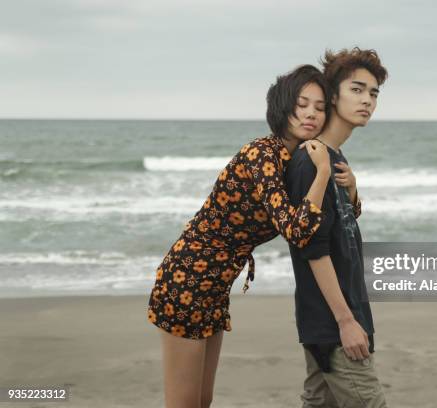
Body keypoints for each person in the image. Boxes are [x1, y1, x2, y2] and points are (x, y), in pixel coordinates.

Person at [147, 64, 333, 408]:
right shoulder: (263, 154)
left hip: (215, 286)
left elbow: (324, 218)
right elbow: (297, 230)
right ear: (283, 106)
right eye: (303, 103)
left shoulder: (293, 160)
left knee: (202, 401)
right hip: (188, 279)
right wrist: (324, 171)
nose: (311, 114)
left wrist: (350, 190)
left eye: (320, 108)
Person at [285, 47, 388, 408]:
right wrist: (345, 321)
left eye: (373, 93)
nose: (368, 101)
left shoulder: (334, 159)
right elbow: (313, 247)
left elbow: (341, 228)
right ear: (332, 96)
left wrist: (354, 190)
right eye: (357, 90)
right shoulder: (311, 160)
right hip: (334, 324)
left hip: (334, 318)